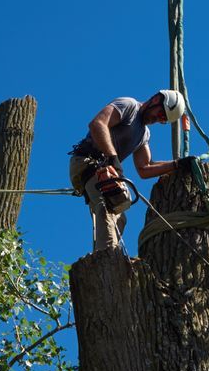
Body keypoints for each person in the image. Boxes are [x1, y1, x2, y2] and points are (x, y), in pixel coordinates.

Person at [68, 89, 188, 253]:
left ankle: (108, 255)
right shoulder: (129, 106)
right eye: (160, 113)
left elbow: (145, 168)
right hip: (86, 161)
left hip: (103, 168)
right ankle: (106, 257)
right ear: (155, 100)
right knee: (107, 206)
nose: (156, 119)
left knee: (120, 215)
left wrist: (177, 164)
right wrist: (112, 157)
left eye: (162, 120)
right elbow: (98, 124)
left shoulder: (144, 134)